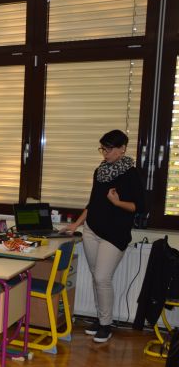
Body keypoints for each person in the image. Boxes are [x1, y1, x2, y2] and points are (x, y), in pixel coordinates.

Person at [65, 129, 145, 343]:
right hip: (91, 230)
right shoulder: (100, 171)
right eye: (103, 149)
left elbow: (139, 207)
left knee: (102, 277)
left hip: (115, 234)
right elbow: (92, 203)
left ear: (122, 149)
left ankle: (106, 325)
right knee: (97, 277)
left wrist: (117, 202)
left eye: (109, 149)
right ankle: (101, 320)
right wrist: (76, 224)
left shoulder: (132, 174)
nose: (105, 153)